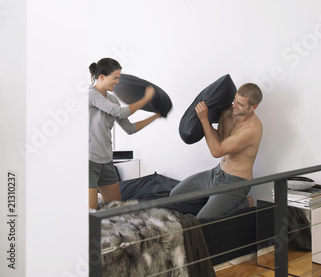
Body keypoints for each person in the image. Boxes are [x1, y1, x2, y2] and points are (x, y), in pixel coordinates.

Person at [169, 83, 263, 220]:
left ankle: (244, 203)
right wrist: (204, 118)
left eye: (240, 104)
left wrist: (204, 119)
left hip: (236, 182)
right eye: (235, 100)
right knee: (175, 196)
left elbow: (216, 151)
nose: (234, 105)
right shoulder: (228, 113)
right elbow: (219, 139)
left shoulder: (251, 130)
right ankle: (214, 202)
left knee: (202, 220)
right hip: (217, 173)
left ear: (253, 107)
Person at [89, 58, 161, 209]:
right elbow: (119, 112)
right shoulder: (91, 94)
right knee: (91, 213)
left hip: (106, 161)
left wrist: (155, 116)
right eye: (115, 78)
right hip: (89, 161)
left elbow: (130, 129)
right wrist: (145, 99)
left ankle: (97, 195)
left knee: (116, 208)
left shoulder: (112, 99)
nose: (118, 82)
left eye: (119, 78)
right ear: (101, 76)